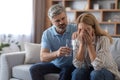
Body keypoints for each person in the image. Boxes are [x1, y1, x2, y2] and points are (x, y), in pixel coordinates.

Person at [30, 4, 77, 80]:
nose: (61, 22)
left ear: (66, 16)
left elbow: (94, 31)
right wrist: (57, 53)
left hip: (72, 65)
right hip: (56, 65)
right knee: (34, 69)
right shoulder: (47, 34)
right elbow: (43, 57)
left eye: (63, 18)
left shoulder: (75, 29)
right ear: (51, 21)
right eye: (57, 21)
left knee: (66, 71)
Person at [71, 13, 120, 80]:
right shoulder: (77, 40)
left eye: (87, 29)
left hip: (107, 70)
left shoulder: (103, 40)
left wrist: (89, 45)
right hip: (89, 69)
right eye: (80, 29)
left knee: (95, 74)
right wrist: (82, 45)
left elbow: (98, 67)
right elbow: (77, 65)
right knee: (77, 72)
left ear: (93, 29)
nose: (83, 33)